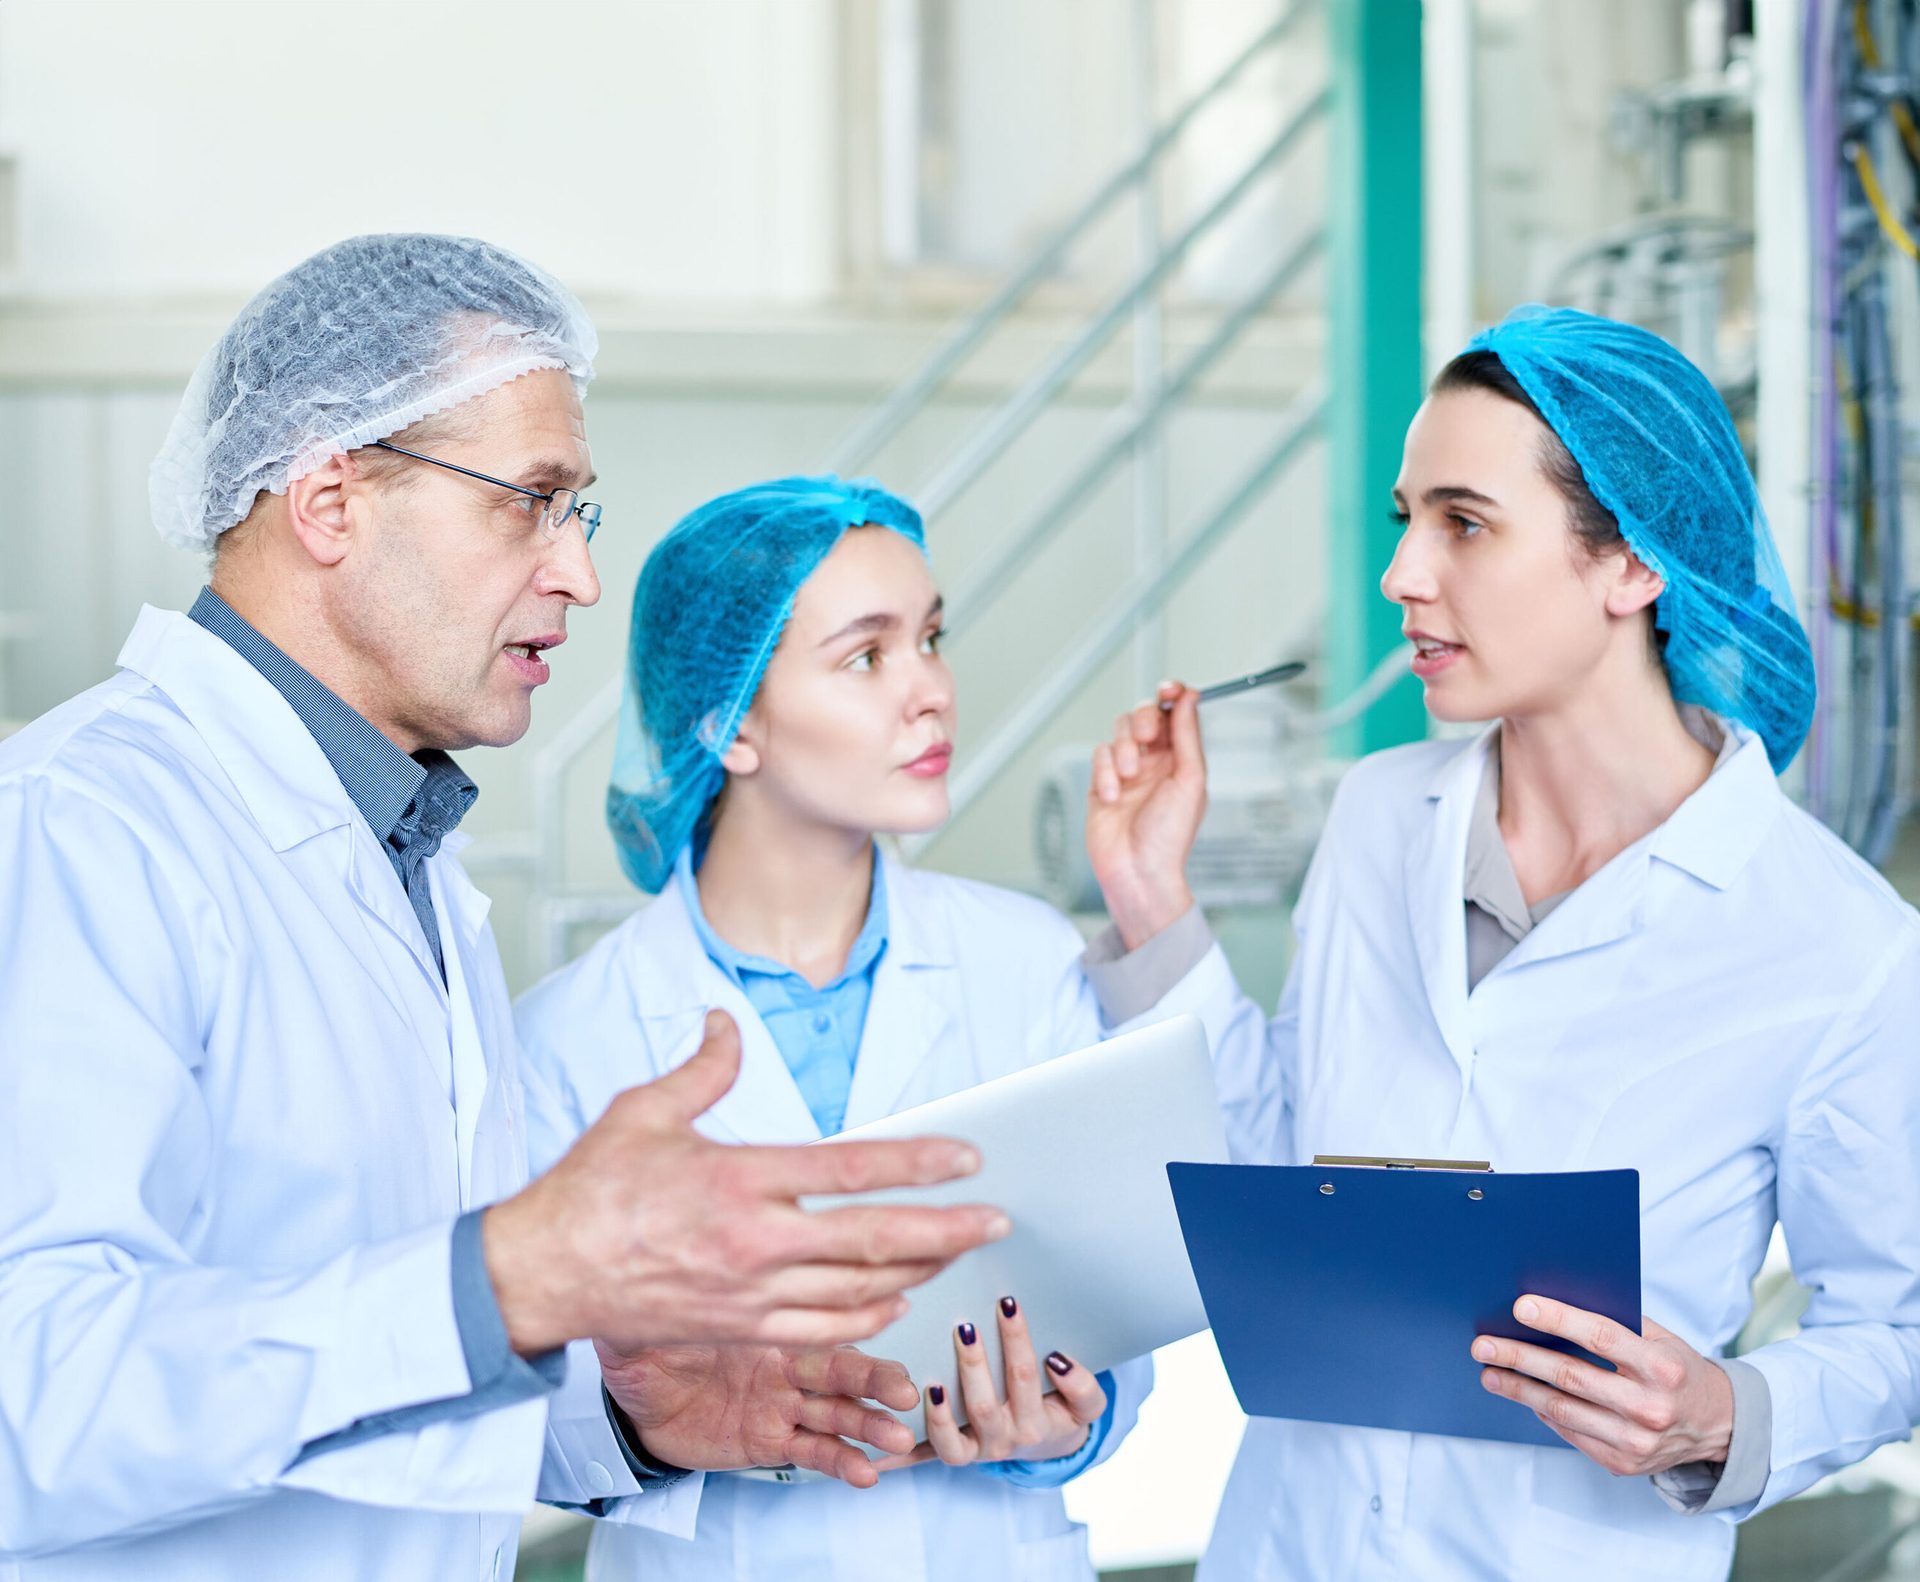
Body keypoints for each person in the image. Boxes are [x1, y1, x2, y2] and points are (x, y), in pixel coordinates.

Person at [0, 236, 1008, 1582]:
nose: (580, 576)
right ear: (330, 497)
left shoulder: (404, 858)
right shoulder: (83, 826)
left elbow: (362, 1402)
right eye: (528, 502)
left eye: (574, 514)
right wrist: (505, 1279)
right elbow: (34, 1396)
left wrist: (624, 1417)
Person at [1080, 306, 1920, 1580]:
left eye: (1464, 523)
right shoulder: (1378, 817)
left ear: (1634, 565)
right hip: (1290, 1548)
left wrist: (1723, 1414)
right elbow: (1286, 1172)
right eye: (1405, 519)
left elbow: (1896, 1328)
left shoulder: (1833, 942)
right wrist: (1152, 901)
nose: (1403, 574)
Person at [514, 475, 1151, 1581]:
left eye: (932, 638)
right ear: (729, 721)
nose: (934, 693)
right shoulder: (568, 1037)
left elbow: (1114, 1317)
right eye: (868, 656)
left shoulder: (1027, 962)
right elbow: (515, 1414)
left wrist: (1065, 1429)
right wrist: (654, 1423)